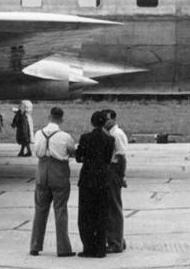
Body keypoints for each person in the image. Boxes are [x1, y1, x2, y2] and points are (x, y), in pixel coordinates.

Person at [29, 107, 77, 257]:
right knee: (60, 209)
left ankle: (35, 245)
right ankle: (63, 248)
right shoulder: (65, 136)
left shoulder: (38, 133)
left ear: (48, 117)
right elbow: (72, 152)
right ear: (61, 119)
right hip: (59, 172)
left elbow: (36, 150)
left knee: (40, 209)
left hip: (42, 171)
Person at [74, 110, 116, 258]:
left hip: (87, 179)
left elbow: (78, 158)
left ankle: (88, 247)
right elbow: (107, 159)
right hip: (102, 180)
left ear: (92, 122)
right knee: (101, 214)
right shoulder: (110, 140)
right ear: (104, 122)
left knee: (86, 216)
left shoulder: (85, 138)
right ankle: (100, 249)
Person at [103, 109, 130, 253]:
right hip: (111, 171)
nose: (105, 122)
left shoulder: (116, 134)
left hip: (114, 170)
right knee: (111, 207)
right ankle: (118, 239)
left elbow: (122, 157)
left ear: (113, 119)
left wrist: (122, 175)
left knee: (114, 208)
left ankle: (115, 243)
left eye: (107, 119)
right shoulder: (111, 133)